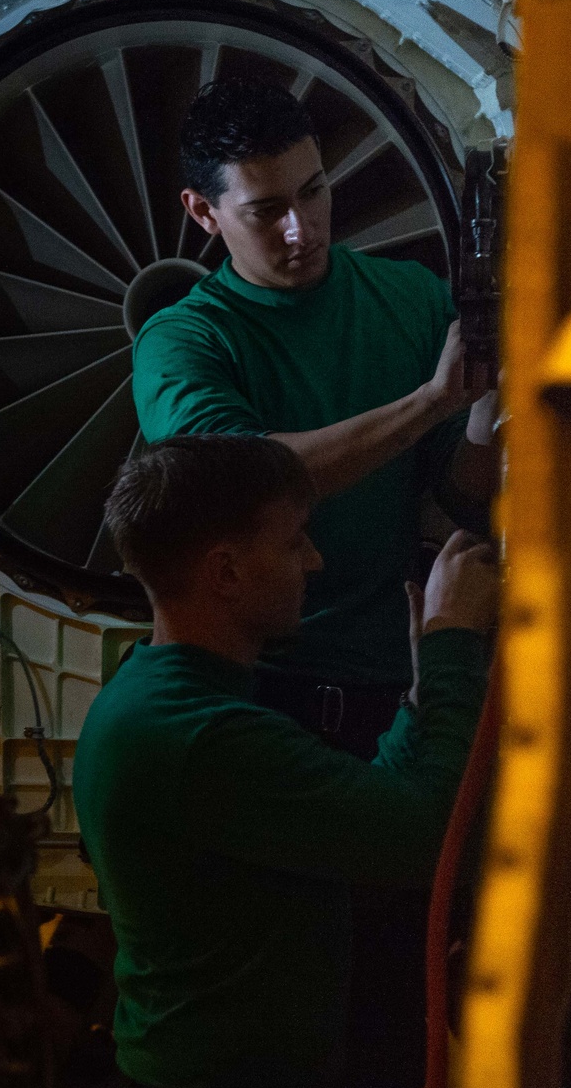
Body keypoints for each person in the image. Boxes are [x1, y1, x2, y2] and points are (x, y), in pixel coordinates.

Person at [73, 435, 496, 1088]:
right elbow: (426, 837)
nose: (314, 560)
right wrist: (454, 642)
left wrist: (421, 693)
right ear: (227, 573)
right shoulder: (201, 737)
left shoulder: (155, 694)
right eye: (295, 541)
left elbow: (371, 797)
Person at [132, 77, 499, 758]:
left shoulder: (411, 299)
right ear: (203, 212)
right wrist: (431, 402)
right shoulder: (182, 342)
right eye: (266, 210)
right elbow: (246, 485)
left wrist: (485, 410)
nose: (301, 228)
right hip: (255, 692)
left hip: (391, 687)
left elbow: (458, 494)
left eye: (313, 191)